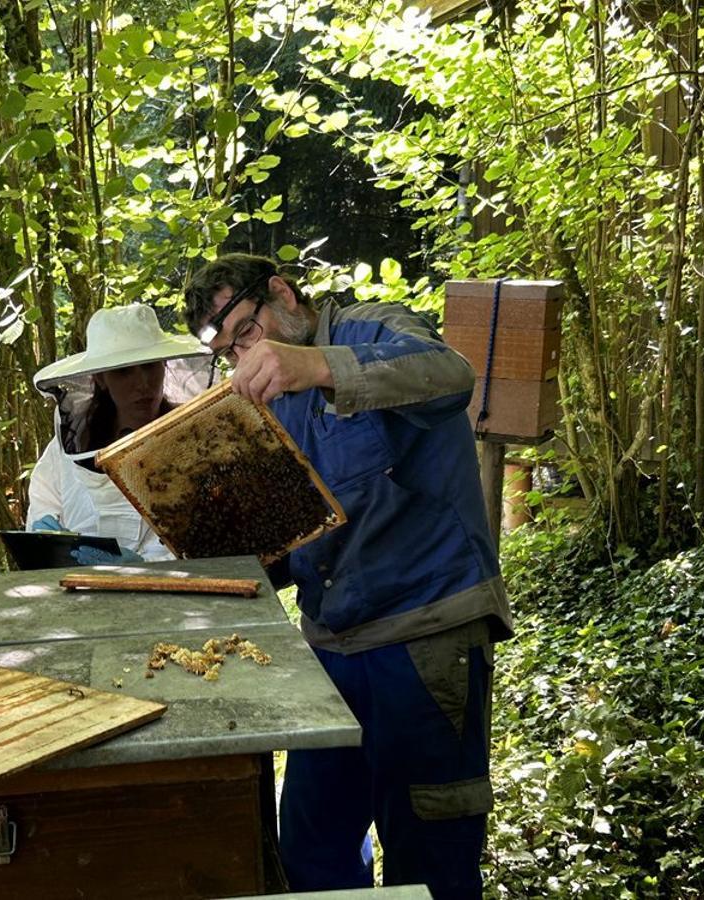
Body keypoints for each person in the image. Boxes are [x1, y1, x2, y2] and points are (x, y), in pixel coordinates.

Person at [183, 254, 514, 897]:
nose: (242, 357)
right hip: (332, 649)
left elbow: (452, 375)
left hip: (424, 634)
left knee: (431, 854)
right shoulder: (271, 399)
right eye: (227, 351)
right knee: (311, 851)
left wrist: (318, 366)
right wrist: (214, 567)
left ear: (281, 292)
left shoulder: (371, 329)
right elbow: (301, 532)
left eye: (245, 333)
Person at [27, 304, 211, 564]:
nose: (142, 384)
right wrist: (45, 538)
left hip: (172, 597)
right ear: (101, 380)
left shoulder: (198, 443)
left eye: (149, 367)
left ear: (164, 367)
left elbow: (208, 543)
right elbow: (43, 508)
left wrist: (147, 568)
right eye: (123, 372)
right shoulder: (67, 450)